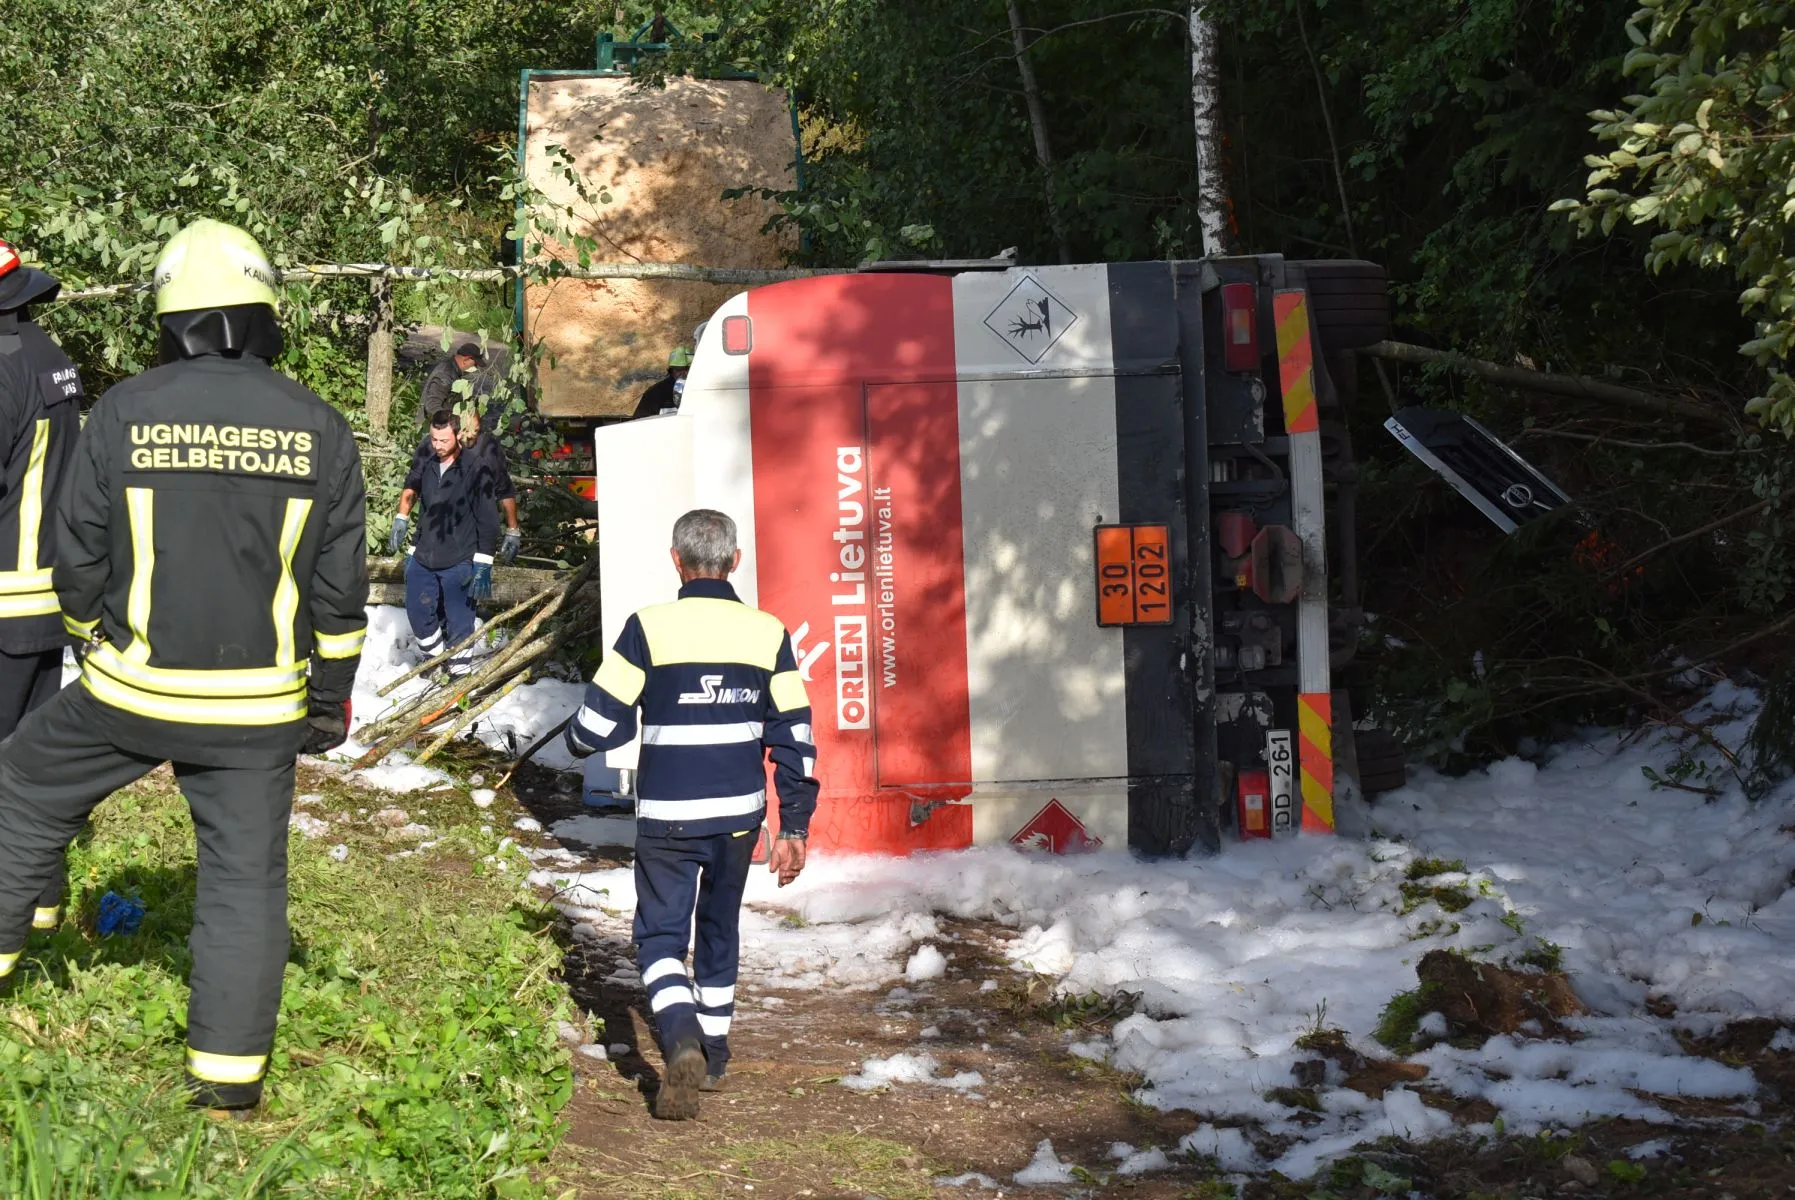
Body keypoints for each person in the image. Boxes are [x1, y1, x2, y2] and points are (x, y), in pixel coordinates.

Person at [0, 218, 369, 1111]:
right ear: (265, 313)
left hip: (129, 692)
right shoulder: (318, 427)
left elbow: (77, 553)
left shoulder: (126, 408)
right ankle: (229, 1082)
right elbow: (339, 591)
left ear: (170, 320)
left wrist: (90, 631)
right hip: (256, 714)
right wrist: (330, 698)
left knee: (20, 789)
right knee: (244, 881)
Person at [563, 508, 818, 1120]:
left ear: (676, 561)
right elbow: (796, 735)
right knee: (719, 929)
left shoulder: (648, 629)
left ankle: (679, 1038)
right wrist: (795, 825)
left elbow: (599, 724)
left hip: (668, 819)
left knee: (658, 936)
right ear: (735, 562)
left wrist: (576, 739)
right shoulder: (767, 632)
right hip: (739, 820)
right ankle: (718, 1053)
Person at [0, 238, 84, 932]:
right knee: (30, 757)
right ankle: (45, 899)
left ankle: (11, 906)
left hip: (3, 597)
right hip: (47, 593)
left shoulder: (3, 369)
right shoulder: (52, 360)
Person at [391, 411, 498, 672]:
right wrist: (409, 538)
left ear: (459, 435)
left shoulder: (475, 468)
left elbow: (489, 520)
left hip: (460, 560)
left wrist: (483, 563)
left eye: (444, 440)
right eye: (433, 439)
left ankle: (459, 679)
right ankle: (438, 664)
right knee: (418, 614)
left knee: (459, 623)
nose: (437, 446)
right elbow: (422, 504)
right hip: (424, 557)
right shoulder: (427, 461)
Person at [404, 404, 520, 563]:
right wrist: (402, 517)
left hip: (471, 534)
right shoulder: (433, 445)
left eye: (476, 430)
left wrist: (513, 530)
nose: (472, 435)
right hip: (434, 529)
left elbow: (504, 489)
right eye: (467, 430)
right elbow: (413, 482)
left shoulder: (488, 448)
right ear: (457, 429)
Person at [419, 341, 484, 428]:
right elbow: (432, 405)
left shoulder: (452, 368)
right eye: (475, 364)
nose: (476, 367)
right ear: (466, 359)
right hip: (435, 428)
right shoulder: (446, 374)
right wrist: (452, 421)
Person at [631, 346, 691, 419]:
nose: (683, 374)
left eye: (687, 369)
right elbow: (639, 423)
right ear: (671, 371)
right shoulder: (655, 393)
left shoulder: (704, 391)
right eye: (678, 370)